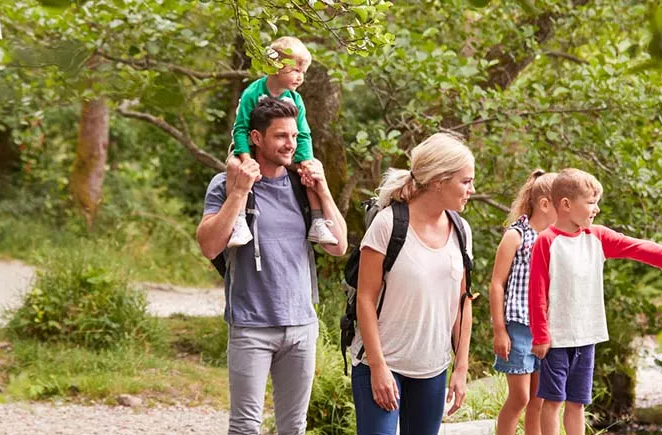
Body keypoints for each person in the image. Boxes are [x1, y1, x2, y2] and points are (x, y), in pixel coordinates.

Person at [197, 97, 349, 435]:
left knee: (293, 426)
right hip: (250, 325)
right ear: (256, 137)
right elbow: (209, 245)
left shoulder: (301, 184)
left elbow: (339, 246)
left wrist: (322, 189)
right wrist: (239, 192)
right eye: (281, 136)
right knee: (245, 426)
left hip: (301, 325)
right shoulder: (224, 184)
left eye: (294, 137)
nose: (290, 144)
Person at [527, 168, 662, 435]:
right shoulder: (547, 241)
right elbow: (537, 292)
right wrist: (541, 335)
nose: (597, 209)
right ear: (566, 205)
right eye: (591, 202)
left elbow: (641, 248)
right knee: (553, 401)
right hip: (557, 339)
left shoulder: (598, 237)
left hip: (586, 337)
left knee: (577, 403)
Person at [349, 133, 476, 434]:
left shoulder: (461, 230)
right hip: (381, 365)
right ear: (438, 182)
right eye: (466, 181)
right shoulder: (388, 224)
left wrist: (461, 368)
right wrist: (378, 368)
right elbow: (365, 299)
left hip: (432, 369)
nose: (472, 189)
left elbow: (463, 302)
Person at [227, 36, 338, 248]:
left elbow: (303, 134)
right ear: (276, 67)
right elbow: (240, 128)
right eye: (296, 71)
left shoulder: (296, 99)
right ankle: (239, 220)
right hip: (249, 148)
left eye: (303, 72)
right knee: (234, 166)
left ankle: (317, 220)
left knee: (312, 170)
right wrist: (246, 159)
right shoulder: (253, 93)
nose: (301, 77)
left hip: (285, 149)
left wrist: (306, 160)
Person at [490, 169, 557, 435]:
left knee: (538, 400)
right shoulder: (516, 236)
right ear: (544, 204)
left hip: (544, 330)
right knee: (520, 398)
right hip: (518, 328)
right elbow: (497, 284)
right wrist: (499, 331)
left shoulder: (555, 240)